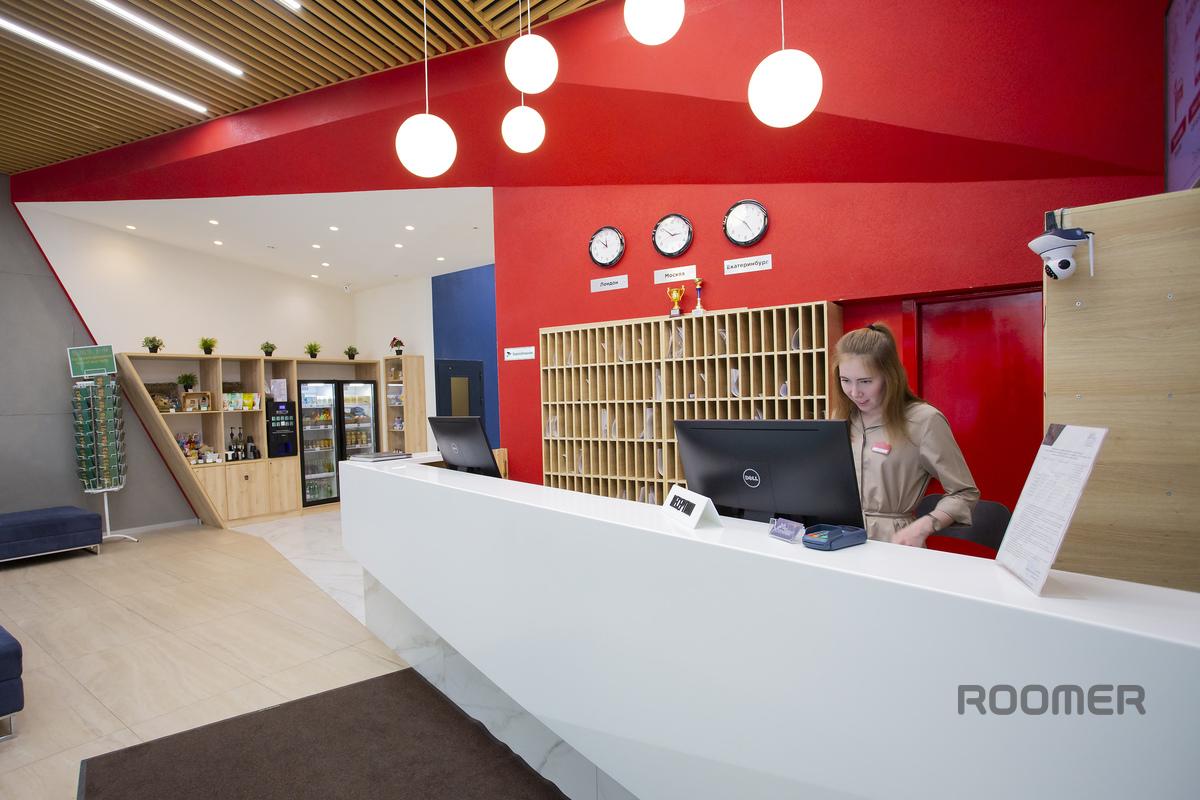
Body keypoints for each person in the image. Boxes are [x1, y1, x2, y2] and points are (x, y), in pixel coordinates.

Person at [832, 323, 979, 546]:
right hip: (841, 537)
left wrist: (926, 524)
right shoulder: (841, 417)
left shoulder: (924, 420)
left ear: (889, 376)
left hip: (894, 543)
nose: (854, 392)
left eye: (865, 381)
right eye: (845, 381)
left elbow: (964, 493)